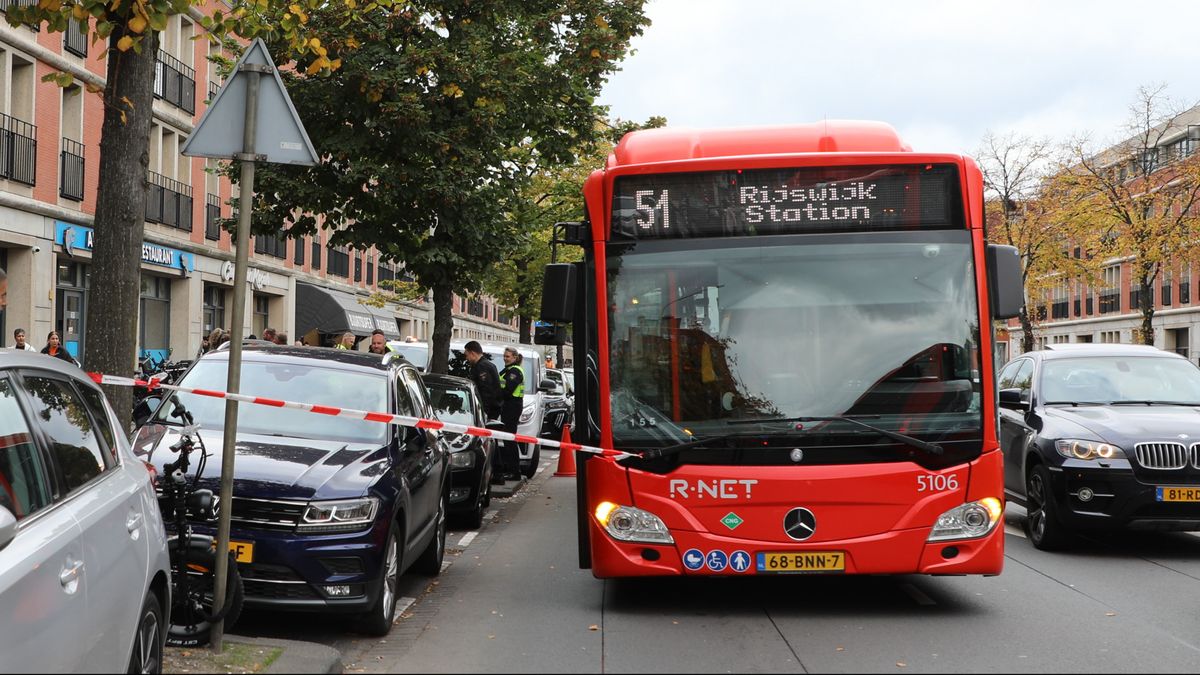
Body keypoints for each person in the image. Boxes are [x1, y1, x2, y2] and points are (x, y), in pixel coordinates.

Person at [496, 345, 526, 481]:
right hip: (509, 406)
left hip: (512, 406)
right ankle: (511, 470)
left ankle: (514, 472)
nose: (505, 358)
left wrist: (494, 394)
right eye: (504, 356)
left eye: (507, 356)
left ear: (514, 357)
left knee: (509, 439)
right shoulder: (508, 370)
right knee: (508, 439)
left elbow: (507, 391)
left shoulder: (514, 371)